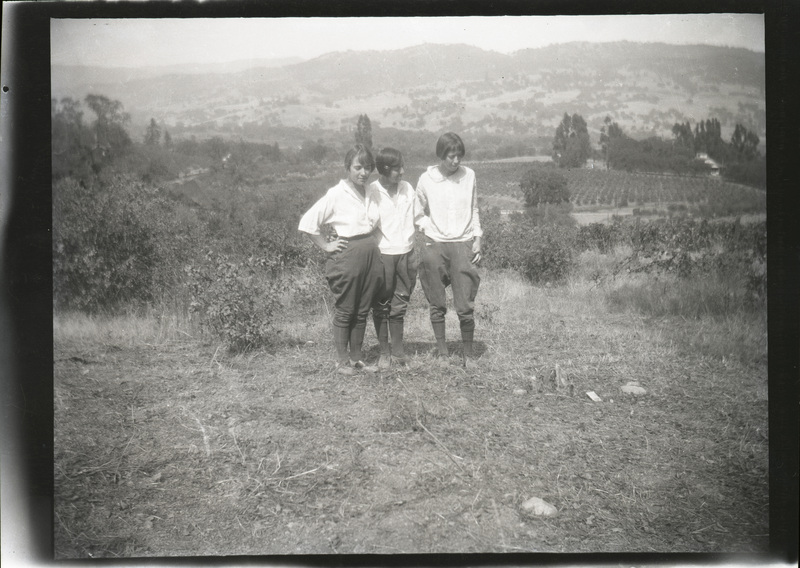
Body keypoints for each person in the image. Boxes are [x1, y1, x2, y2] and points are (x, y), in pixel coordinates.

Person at [298, 144, 384, 376]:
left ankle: (357, 359)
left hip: (370, 255)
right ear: (348, 167)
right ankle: (341, 361)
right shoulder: (337, 194)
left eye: (368, 168)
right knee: (346, 309)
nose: (363, 172)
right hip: (347, 256)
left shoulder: (372, 191)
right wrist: (326, 245)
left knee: (363, 309)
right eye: (358, 167)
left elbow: (377, 222)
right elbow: (308, 222)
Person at [414, 132, 483, 367]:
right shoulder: (426, 179)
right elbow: (417, 210)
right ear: (441, 155)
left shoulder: (469, 176)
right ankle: (443, 353)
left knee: (465, 304)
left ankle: (468, 355)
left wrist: (477, 238)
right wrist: (428, 229)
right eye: (451, 156)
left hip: (463, 243)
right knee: (437, 301)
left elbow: (474, 209)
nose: (456, 161)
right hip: (436, 245)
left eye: (459, 156)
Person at [368, 147, 417, 369]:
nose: (403, 172)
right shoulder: (371, 191)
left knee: (400, 304)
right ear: (385, 169)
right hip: (383, 255)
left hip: (406, 254)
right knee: (381, 304)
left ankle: (398, 353)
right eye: (397, 169)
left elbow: (419, 215)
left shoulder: (407, 188)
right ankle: (384, 353)